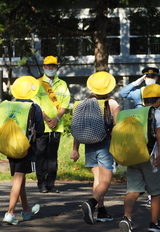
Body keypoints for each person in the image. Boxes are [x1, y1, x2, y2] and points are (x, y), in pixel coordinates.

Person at [70, 71, 120, 224]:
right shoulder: (112, 103)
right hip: (105, 144)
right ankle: (91, 203)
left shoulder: (83, 104)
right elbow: (118, 127)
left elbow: (78, 127)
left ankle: (101, 211)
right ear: (108, 87)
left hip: (89, 144)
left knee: (97, 179)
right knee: (106, 181)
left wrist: (75, 149)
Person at [119, 84, 160, 232]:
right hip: (150, 156)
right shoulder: (158, 114)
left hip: (132, 155)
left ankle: (126, 218)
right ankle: (154, 223)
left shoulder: (131, 112)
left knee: (133, 189)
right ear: (159, 100)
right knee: (155, 191)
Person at [1, 76, 45, 225]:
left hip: (9, 146)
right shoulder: (34, 107)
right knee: (18, 180)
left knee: (20, 180)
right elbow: (40, 129)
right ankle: (9, 213)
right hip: (25, 148)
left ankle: (26, 210)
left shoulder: (8, 105)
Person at [32, 56, 71, 193]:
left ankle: (51, 184)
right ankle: (41, 183)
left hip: (57, 125)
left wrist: (57, 118)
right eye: (48, 66)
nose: (50, 68)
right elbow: (35, 104)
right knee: (40, 155)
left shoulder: (63, 84)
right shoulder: (37, 83)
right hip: (41, 125)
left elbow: (65, 103)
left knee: (52, 156)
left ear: (56, 67)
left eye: (53, 66)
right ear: (44, 67)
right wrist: (48, 119)